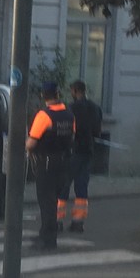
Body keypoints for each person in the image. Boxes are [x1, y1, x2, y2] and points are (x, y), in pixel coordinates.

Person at [26, 82, 75, 251]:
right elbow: (72, 136)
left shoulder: (44, 116)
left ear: (43, 96)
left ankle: (48, 239)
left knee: (46, 201)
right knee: (53, 201)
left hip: (46, 162)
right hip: (64, 161)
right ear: (58, 94)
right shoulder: (69, 114)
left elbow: (31, 143)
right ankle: (46, 234)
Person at [58, 80, 103, 233]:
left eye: (71, 91)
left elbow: (65, 130)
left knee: (63, 185)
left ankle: (56, 220)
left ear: (75, 91)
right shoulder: (96, 108)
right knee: (82, 187)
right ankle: (78, 222)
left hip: (73, 151)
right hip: (88, 152)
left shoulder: (71, 108)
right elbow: (97, 132)